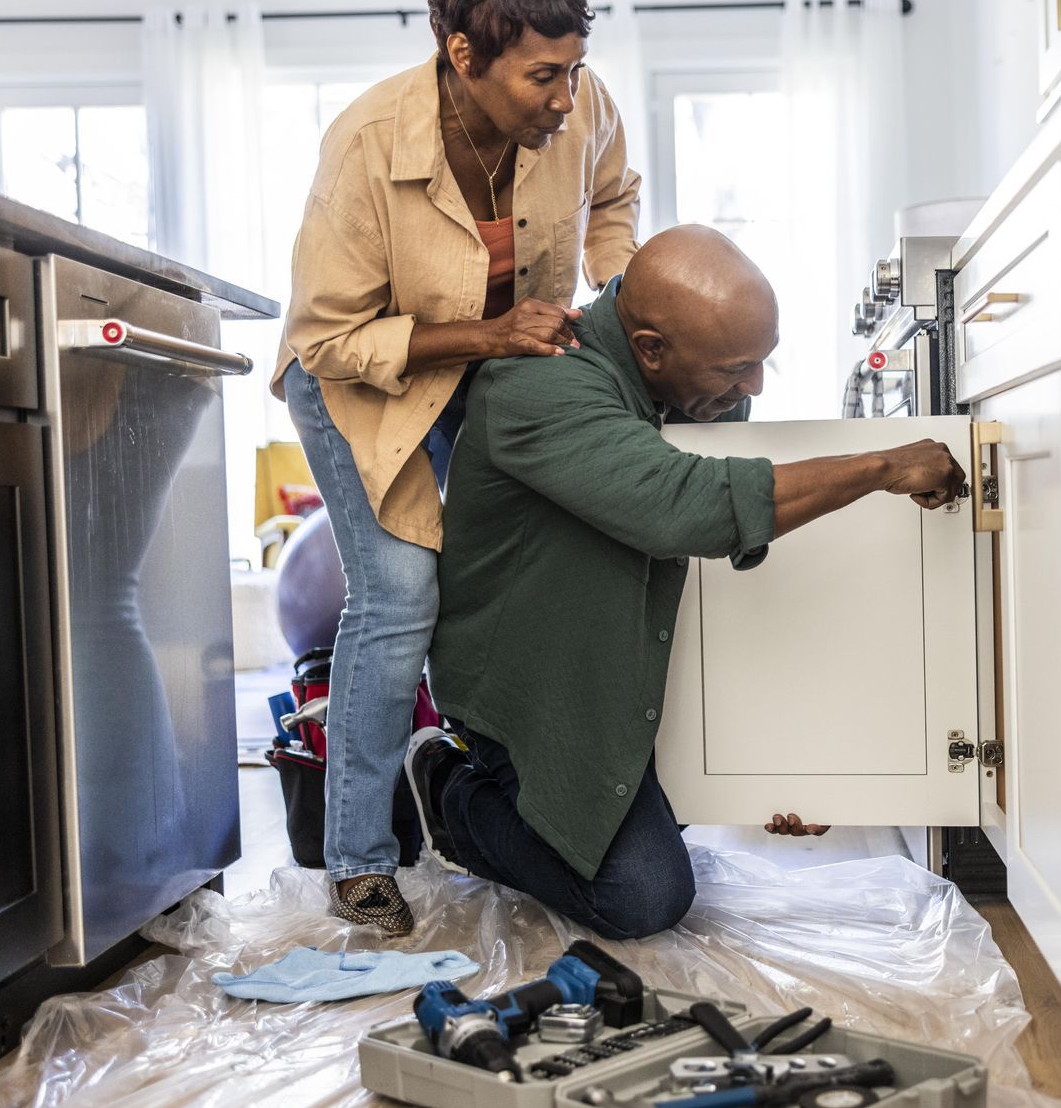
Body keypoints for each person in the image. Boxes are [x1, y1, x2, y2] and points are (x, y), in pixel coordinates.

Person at [405, 226, 967, 940]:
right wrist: (879, 468)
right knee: (641, 895)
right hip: (537, 689)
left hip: (634, 649)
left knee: (652, 837)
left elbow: (746, 580)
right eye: (736, 370)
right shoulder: (538, 379)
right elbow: (688, 508)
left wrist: (801, 762)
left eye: (763, 364)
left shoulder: (697, 387)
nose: (752, 389)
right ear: (649, 349)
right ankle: (447, 791)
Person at [271, 0, 640, 934]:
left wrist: (618, 287)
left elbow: (614, 191)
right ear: (463, 55)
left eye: (574, 70)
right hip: (363, 380)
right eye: (542, 78)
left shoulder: (582, 104)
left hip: (496, 366)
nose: (565, 98)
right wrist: (488, 330)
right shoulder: (365, 143)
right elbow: (332, 336)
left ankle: (484, 798)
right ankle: (358, 859)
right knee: (397, 598)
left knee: (509, 573)